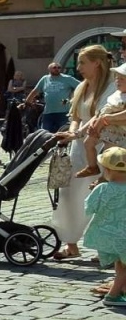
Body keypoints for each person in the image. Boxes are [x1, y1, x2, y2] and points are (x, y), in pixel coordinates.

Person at [52, 46, 113, 260]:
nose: (78, 68)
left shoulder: (111, 87)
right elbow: (76, 116)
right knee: (69, 195)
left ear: (96, 63)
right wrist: (71, 133)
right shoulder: (82, 87)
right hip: (79, 147)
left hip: (104, 146)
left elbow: (102, 120)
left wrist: (76, 134)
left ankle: (105, 248)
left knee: (102, 197)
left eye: (82, 63)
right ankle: (71, 244)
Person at [84, 147, 126, 305]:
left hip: (108, 235)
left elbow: (89, 208)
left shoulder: (102, 189)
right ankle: (113, 296)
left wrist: (95, 192)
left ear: (106, 170)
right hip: (124, 235)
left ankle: (120, 292)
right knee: (124, 267)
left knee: (120, 265)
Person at [28, 62, 81, 134]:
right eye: (54, 67)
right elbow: (35, 91)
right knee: (45, 134)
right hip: (48, 112)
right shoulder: (44, 79)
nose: (57, 69)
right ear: (49, 69)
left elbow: (81, 86)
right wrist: (27, 102)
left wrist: (74, 97)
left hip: (63, 112)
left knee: (63, 134)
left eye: (59, 68)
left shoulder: (67, 78)